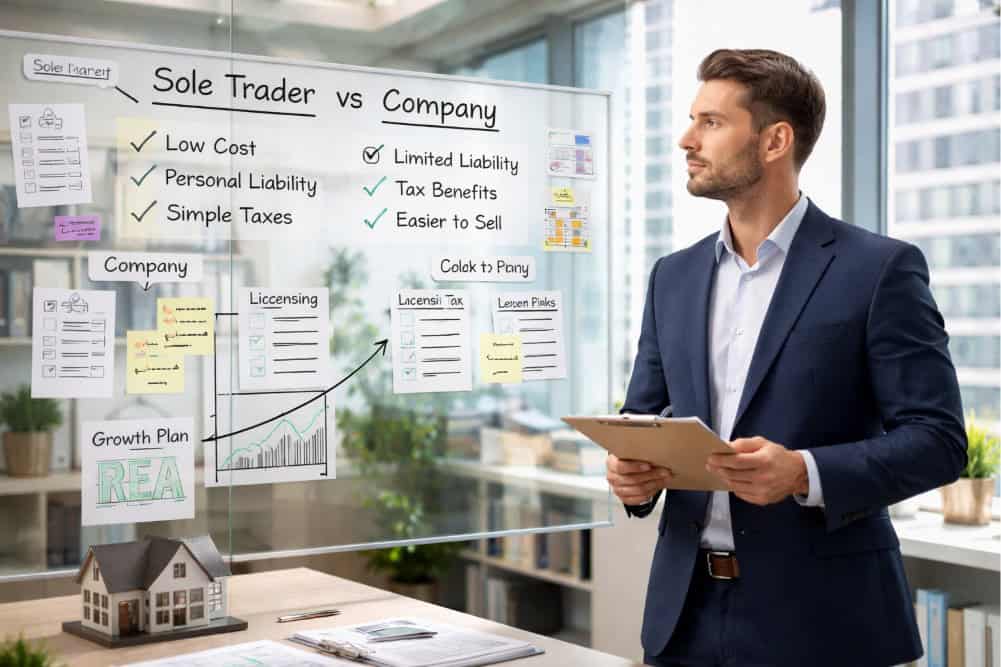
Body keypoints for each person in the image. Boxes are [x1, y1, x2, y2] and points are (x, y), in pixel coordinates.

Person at [606, 48, 967, 667]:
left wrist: (804, 472)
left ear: (775, 140)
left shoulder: (878, 270)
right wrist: (630, 476)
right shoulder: (673, 276)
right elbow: (641, 417)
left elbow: (938, 441)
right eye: (693, 119)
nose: (686, 140)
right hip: (682, 620)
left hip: (824, 623)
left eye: (712, 123)